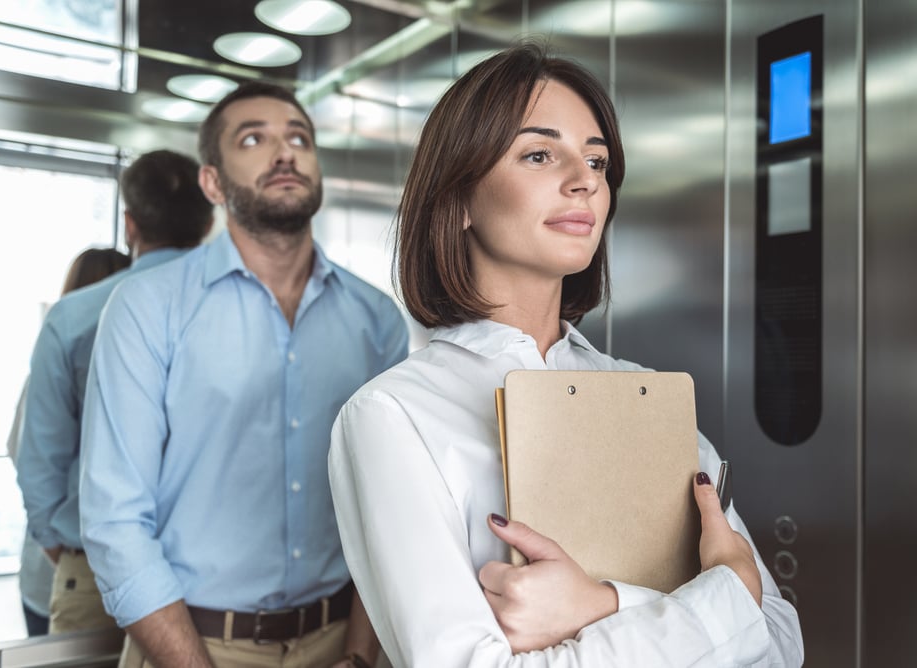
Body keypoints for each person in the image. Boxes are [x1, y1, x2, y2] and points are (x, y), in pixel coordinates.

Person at [328, 43, 805, 666]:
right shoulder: (393, 416)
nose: (585, 180)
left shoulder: (648, 396)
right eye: (539, 153)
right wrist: (715, 603)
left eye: (598, 161)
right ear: (460, 197)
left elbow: (780, 644)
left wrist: (603, 604)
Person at [79, 81, 409, 668]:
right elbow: (115, 521)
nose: (284, 152)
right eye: (253, 138)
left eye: (299, 138)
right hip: (191, 643)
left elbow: (388, 505)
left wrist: (360, 654)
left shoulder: (376, 317)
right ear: (212, 182)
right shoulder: (147, 308)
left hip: (341, 643)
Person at [15, 150, 213, 635]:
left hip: (96, 571)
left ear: (130, 225)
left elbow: (38, 456)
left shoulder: (74, 316)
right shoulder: (250, 311)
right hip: (214, 575)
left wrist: (67, 552)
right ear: (209, 222)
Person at [8, 247, 130, 636]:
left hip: (78, 566)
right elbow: (29, 460)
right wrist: (60, 550)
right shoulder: (62, 355)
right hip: (67, 570)